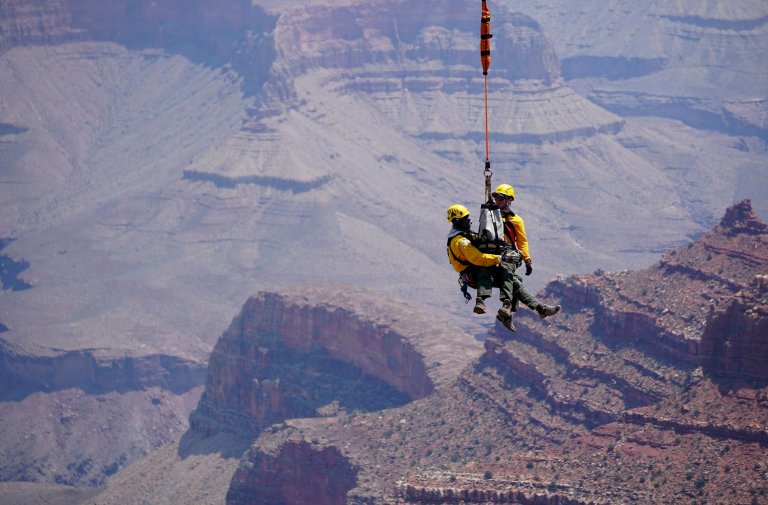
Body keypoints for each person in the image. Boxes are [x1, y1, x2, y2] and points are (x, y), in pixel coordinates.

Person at [490, 184, 561, 330]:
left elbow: (522, 241)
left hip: (509, 251)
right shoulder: (490, 215)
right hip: (491, 250)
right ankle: (540, 309)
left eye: (500, 197)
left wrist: (527, 260)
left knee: (507, 271)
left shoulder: (516, 220)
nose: (497, 200)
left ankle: (507, 306)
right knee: (515, 281)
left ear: (509, 200)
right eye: (496, 197)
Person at [446, 204, 519, 317]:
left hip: (476, 269)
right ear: (457, 221)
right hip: (474, 274)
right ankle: (482, 301)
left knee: (515, 279)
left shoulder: (465, 235)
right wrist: (502, 258)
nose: (469, 221)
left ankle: (537, 307)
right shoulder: (461, 241)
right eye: (465, 219)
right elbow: (479, 259)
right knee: (498, 272)